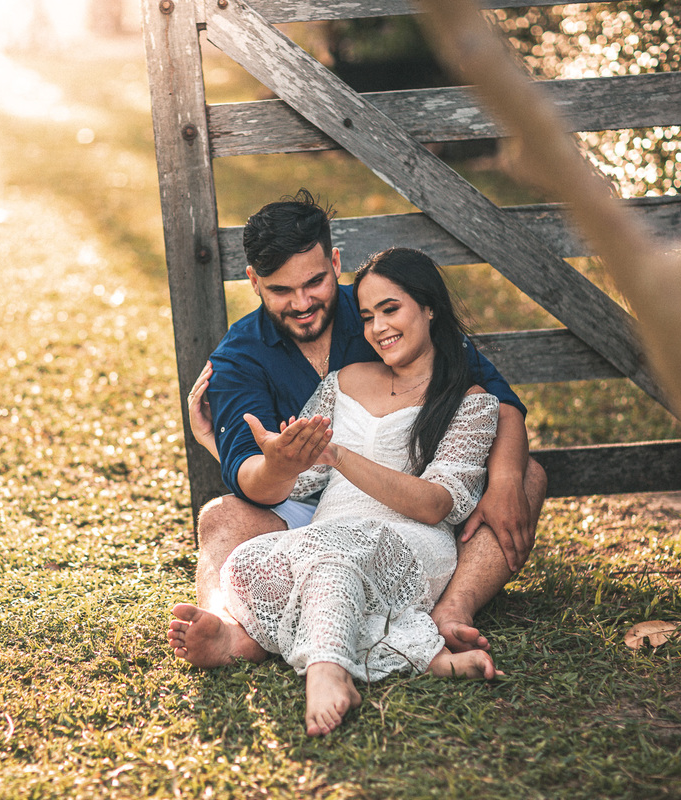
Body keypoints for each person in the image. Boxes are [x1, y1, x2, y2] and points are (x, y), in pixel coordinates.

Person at [185, 190, 546, 654]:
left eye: (314, 281)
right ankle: (223, 624)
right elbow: (250, 479)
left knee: (529, 475)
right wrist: (280, 463)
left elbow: (500, 399)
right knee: (221, 515)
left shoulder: (383, 306)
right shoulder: (238, 357)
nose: (301, 303)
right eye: (280, 290)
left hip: (423, 501)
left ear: (335, 262)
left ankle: (454, 609)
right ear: (253, 281)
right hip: (305, 508)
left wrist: (506, 478)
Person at [170, 248, 503, 736]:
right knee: (248, 562)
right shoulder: (343, 381)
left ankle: (330, 671)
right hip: (327, 538)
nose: (378, 328)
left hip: (409, 547)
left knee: (337, 557)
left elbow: (436, 504)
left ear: (429, 308)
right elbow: (298, 480)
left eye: (391, 310)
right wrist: (220, 446)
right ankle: (423, 655)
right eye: (367, 316)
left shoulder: (472, 403)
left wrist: (339, 456)